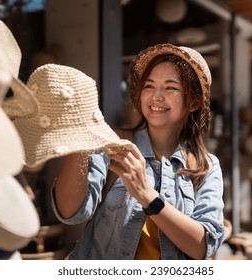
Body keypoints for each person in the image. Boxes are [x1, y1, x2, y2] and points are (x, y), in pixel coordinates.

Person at [52, 43, 225, 260]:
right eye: (149, 86)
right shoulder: (111, 145)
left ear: (194, 101)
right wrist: (79, 137)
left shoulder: (205, 167)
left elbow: (202, 247)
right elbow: (69, 213)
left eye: (170, 87)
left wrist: (146, 194)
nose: (156, 96)